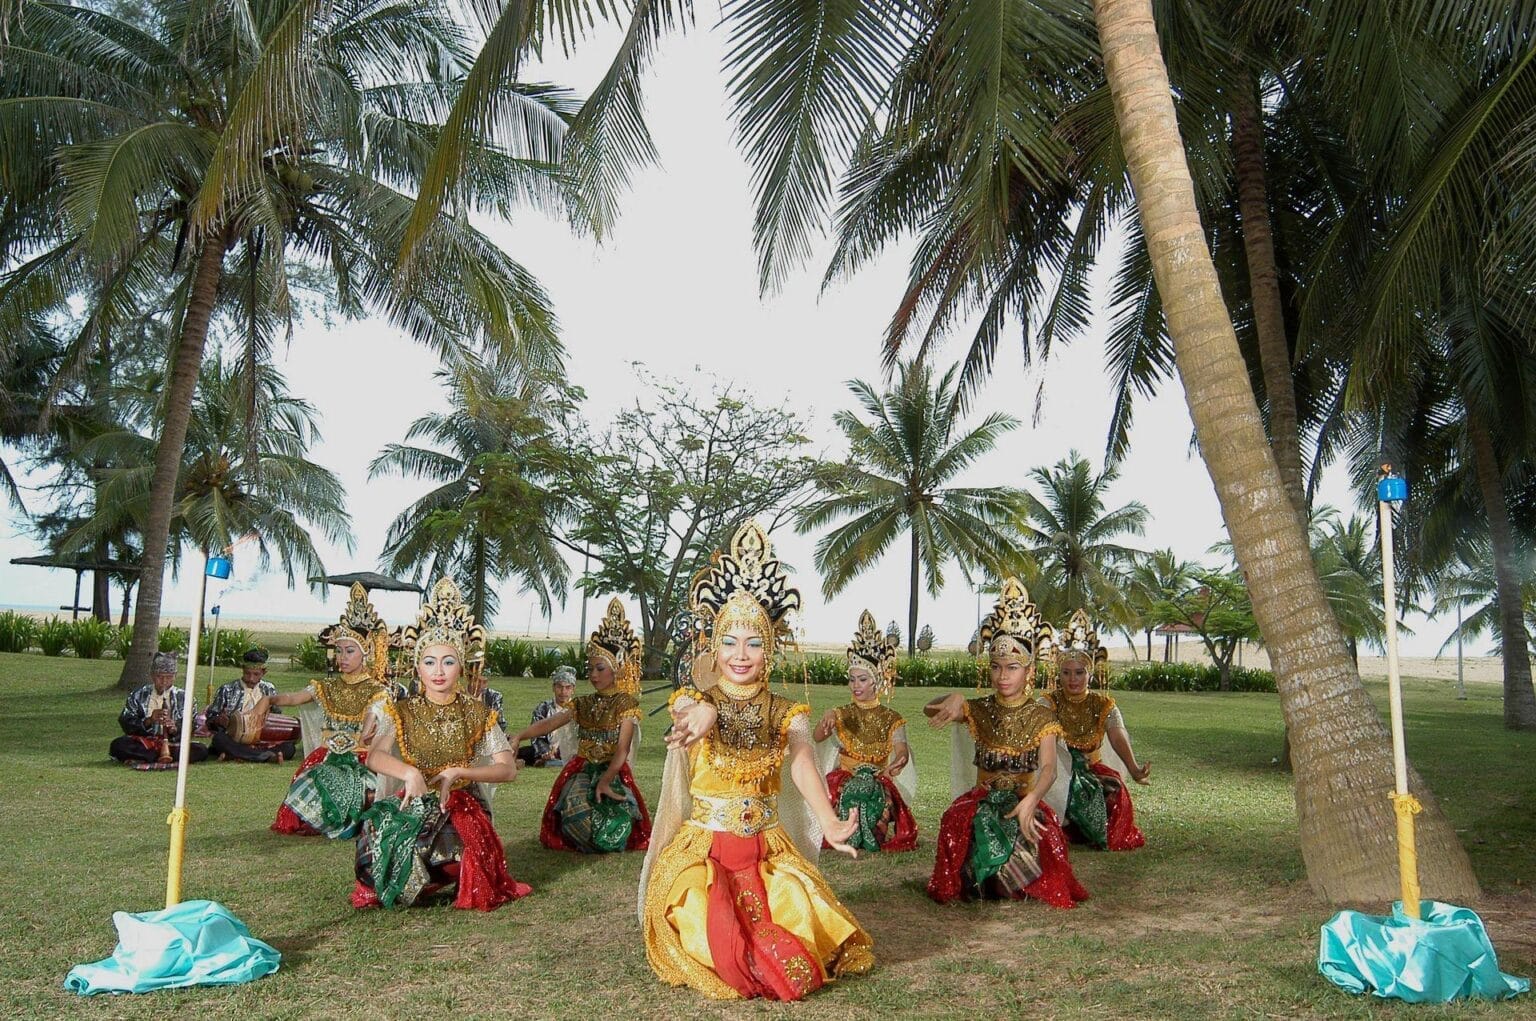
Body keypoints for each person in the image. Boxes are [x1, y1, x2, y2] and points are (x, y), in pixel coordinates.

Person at [641, 521, 874, 1001]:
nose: (740, 655)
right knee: (698, 912)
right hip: (705, 849)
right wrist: (703, 713)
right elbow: (694, 711)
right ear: (713, 646)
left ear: (769, 650)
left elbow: (803, 762)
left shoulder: (787, 713)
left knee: (802, 911)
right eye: (729, 641)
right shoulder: (692, 699)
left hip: (767, 846)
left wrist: (828, 821)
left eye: (753, 643)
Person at [352, 577, 530, 910]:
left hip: (459, 803)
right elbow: (374, 757)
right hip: (413, 800)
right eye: (429, 662)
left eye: (448, 662)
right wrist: (408, 773)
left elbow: (508, 770)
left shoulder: (478, 713)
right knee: (369, 856)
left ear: (461, 667)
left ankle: (436, 876)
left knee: (453, 855)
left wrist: (459, 771)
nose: (438, 671)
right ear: (417, 667)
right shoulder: (401, 711)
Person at [925, 578, 1088, 908]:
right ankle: (986, 878)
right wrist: (953, 697)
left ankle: (1000, 878)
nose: (1003, 676)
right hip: (982, 802)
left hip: (1022, 801)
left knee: (1038, 839)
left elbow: (1049, 770)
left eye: (1012, 667)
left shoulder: (1042, 716)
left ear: (1029, 671)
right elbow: (930, 709)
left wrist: (1031, 802)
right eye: (997, 667)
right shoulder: (981, 708)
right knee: (959, 822)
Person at [517, 598, 651, 853]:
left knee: (613, 819)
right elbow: (550, 723)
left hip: (612, 770)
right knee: (574, 811)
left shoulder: (626, 703)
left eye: (600, 668)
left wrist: (607, 778)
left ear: (617, 669)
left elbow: (622, 749)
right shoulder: (582, 703)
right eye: (590, 669)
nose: (593, 674)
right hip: (582, 768)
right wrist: (520, 735)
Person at [268, 583, 401, 837]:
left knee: (349, 789)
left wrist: (368, 730)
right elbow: (296, 698)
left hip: (361, 760)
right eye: (339, 651)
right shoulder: (326, 686)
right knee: (307, 784)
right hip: (327, 755)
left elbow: (375, 713)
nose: (342, 657)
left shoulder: (377, 690)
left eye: (349, 651)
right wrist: (269, 700)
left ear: (365, 654)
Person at [1040, 609, 1148, 851]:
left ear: (1090, 674)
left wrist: (1133, 768)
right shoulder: (1049, 702)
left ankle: (1086, 831)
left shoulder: (1103, 705)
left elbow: (1117, 735)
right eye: (1066, 673)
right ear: (1059, 674)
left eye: (1079, 673)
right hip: (1058, 771)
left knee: (1113, 790)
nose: (1073, 679)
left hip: (1091, 768)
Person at [812, 610, 918, 852]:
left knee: (876, 809)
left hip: (876, 781)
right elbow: (817, 737)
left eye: (862, 680)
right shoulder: (840, 713)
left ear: (877, 682)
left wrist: (900, 761)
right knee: (834, 800)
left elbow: (901, 749)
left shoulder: (892, 718)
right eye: (852, 680)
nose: (855, 686)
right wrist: (825, 719)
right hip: (844, 779)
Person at [110, 653, 208, 767]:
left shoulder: (186, 698)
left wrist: (175, 728)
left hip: (172, 744)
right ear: (152, 675)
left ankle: (150, 758)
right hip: (145, 743)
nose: (164, 681)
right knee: (118, 745)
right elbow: (125, 721)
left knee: (201, 750)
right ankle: (157, 757)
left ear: (175, 676)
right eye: (160, 677)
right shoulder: (138, 695)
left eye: (169, 677)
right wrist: (149, 720)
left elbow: (192, 725)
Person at [205, 649, 297, 763]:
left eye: (256, 674)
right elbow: (210, 719)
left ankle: (237, 755)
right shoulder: (227, 689)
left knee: (289, 747)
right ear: (243, 670)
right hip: (234, 739)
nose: (251, 678)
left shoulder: (269, 689)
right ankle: (265, 757)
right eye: (247, 673)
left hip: (262, 740)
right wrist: (218, 720)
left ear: (264, 672)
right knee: (219, 739)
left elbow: (276, 717)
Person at [516, 668, 577, 767]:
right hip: (548, 748)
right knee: (521, 752)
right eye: (559, 687)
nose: (563, 691)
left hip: (572, 750)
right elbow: (536, 734)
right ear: (553, 688)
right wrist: (545, 752)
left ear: (573, 689)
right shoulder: (543, 708)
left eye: (567, 687)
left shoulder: (578, 708)